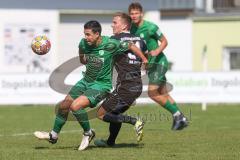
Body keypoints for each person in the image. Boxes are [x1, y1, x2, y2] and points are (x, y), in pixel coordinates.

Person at [34, 20, 147, 151]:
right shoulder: (83, 43)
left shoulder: (110, 44)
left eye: (88, 34)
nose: (85, 37)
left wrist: (144, 59)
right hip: (86, 81)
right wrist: (90, 59)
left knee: (75, 107)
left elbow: (130, 45)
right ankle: (53, 136)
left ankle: (88, 133)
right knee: (64, 105)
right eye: (84, 34)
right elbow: (82, 59)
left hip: (101, 85)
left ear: (97, 34)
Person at [128, 2, 188, 130]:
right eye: (132, 13)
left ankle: (178, 115)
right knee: (163, 93)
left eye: (136, 13)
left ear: (141, 14)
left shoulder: (151, 27)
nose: (134, 16)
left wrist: (156, 51)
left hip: (159, 63)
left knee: (152, 93)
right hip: (150, 66)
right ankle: (181, 118)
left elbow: (165, 41)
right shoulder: (131, 29)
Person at [93, 12, 147, 147]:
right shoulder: (140, 40)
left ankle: (135, 121)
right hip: (137, 85)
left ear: (124, 26)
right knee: (114, 113)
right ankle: (110, 142)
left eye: (115, 22)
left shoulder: (115, 39)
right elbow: (142, 54)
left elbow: (113, 52)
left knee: (100, 114)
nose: (112, 25)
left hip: (125, 86)